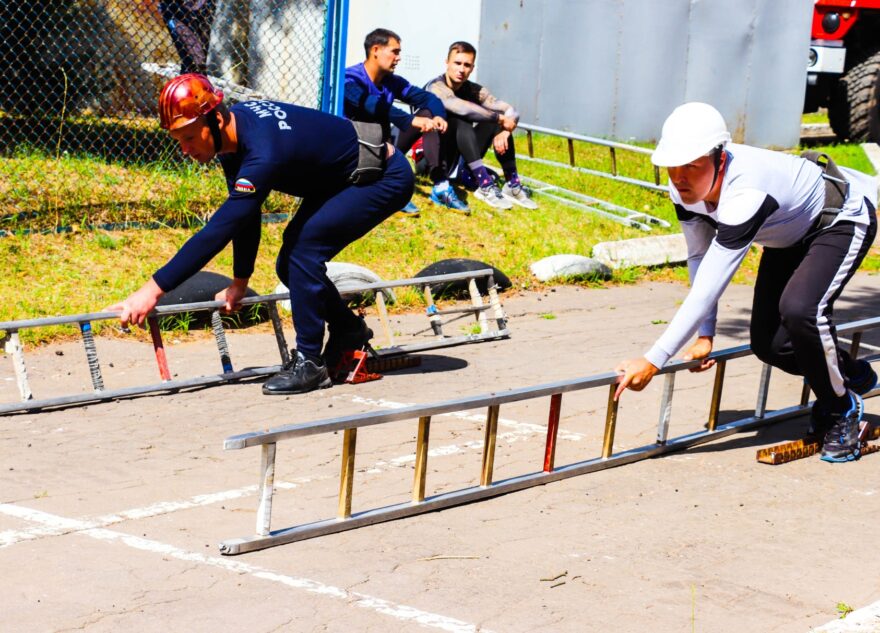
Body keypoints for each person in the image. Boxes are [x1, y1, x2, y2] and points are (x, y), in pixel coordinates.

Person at [108, 74, 413, 395]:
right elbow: (244, 214)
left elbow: (220, 229)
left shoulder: (263, 151)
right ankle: (348, 331)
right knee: (290, 265)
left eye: (189, 137)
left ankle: (311, 363)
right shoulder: (233, 139)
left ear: (215, 119)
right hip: (344, 177)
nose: (184, 149)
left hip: (382, 177)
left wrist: (152, 290)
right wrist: (240, 282)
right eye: (177, 139)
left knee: (302, 254)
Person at [614, 102, 877, 463]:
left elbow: (711, 282)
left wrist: (654, 360)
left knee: (801, 311)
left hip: (840, 220)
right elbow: (698, 258)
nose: (679, 176)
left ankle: (841, 407)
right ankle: (851, 374)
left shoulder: (746, 194)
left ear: (719, 159)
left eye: (691, 165)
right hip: (789, 235)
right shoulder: (683, 191)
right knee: (768, 345)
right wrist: (705, 336)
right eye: (672, 166)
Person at [344, 28, 461, 215]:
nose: (398, 58)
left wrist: (438, 115)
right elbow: (373, 105)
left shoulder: (392, 81)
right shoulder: (350, 78)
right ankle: (386, 190)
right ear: (375, 50)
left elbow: (429, 99)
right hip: (354, 145)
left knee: (429, 113)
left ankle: (440, 184)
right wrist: (411, 120)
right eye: (395, 52)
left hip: (382, 145)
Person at [425, 41, 537, 211]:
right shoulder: (435, 87)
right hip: (434, 159)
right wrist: (500, 119)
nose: (462, 69)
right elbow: (459, 107)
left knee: (493, 124)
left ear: (472, 68)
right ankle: (484, 184)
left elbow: (510, 110)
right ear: (446, 62)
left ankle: (512, 185)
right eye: (457, 63)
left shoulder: (473, 90)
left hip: (460, 156)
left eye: (467, 65)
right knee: (460, 120)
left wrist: (506, 130)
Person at [158, 0, 216, 75]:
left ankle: (194, 72)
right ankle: (192, 72)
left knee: (195, 60)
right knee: (190, 59)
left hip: (197, 10)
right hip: (175, 10)